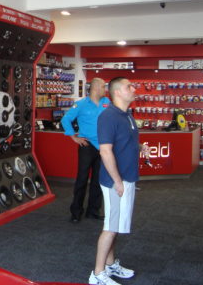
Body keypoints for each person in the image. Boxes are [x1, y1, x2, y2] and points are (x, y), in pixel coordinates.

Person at [89, 77, 149, 285]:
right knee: (111, 226)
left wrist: (140, 147)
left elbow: (124, 141)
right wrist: (117, 181)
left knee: (116, 226)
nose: (133, 89)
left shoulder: (127, 115)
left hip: (127, 178)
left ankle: (110, 264)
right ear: (117, 92)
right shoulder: (108, 116)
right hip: (115, 181)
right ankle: (97, 273)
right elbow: (105, 151)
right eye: (128, 87)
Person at [61, 77, 110, 223]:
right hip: (86, 146)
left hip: (103, 147)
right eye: (103, 86)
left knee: (98, 180)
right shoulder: (81, 104)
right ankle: (76, 212)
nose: (105, 89)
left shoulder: (107, 102)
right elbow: (65, 119)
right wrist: (73, 137)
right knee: (82, 179)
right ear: (95, 88)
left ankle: (93, 211)